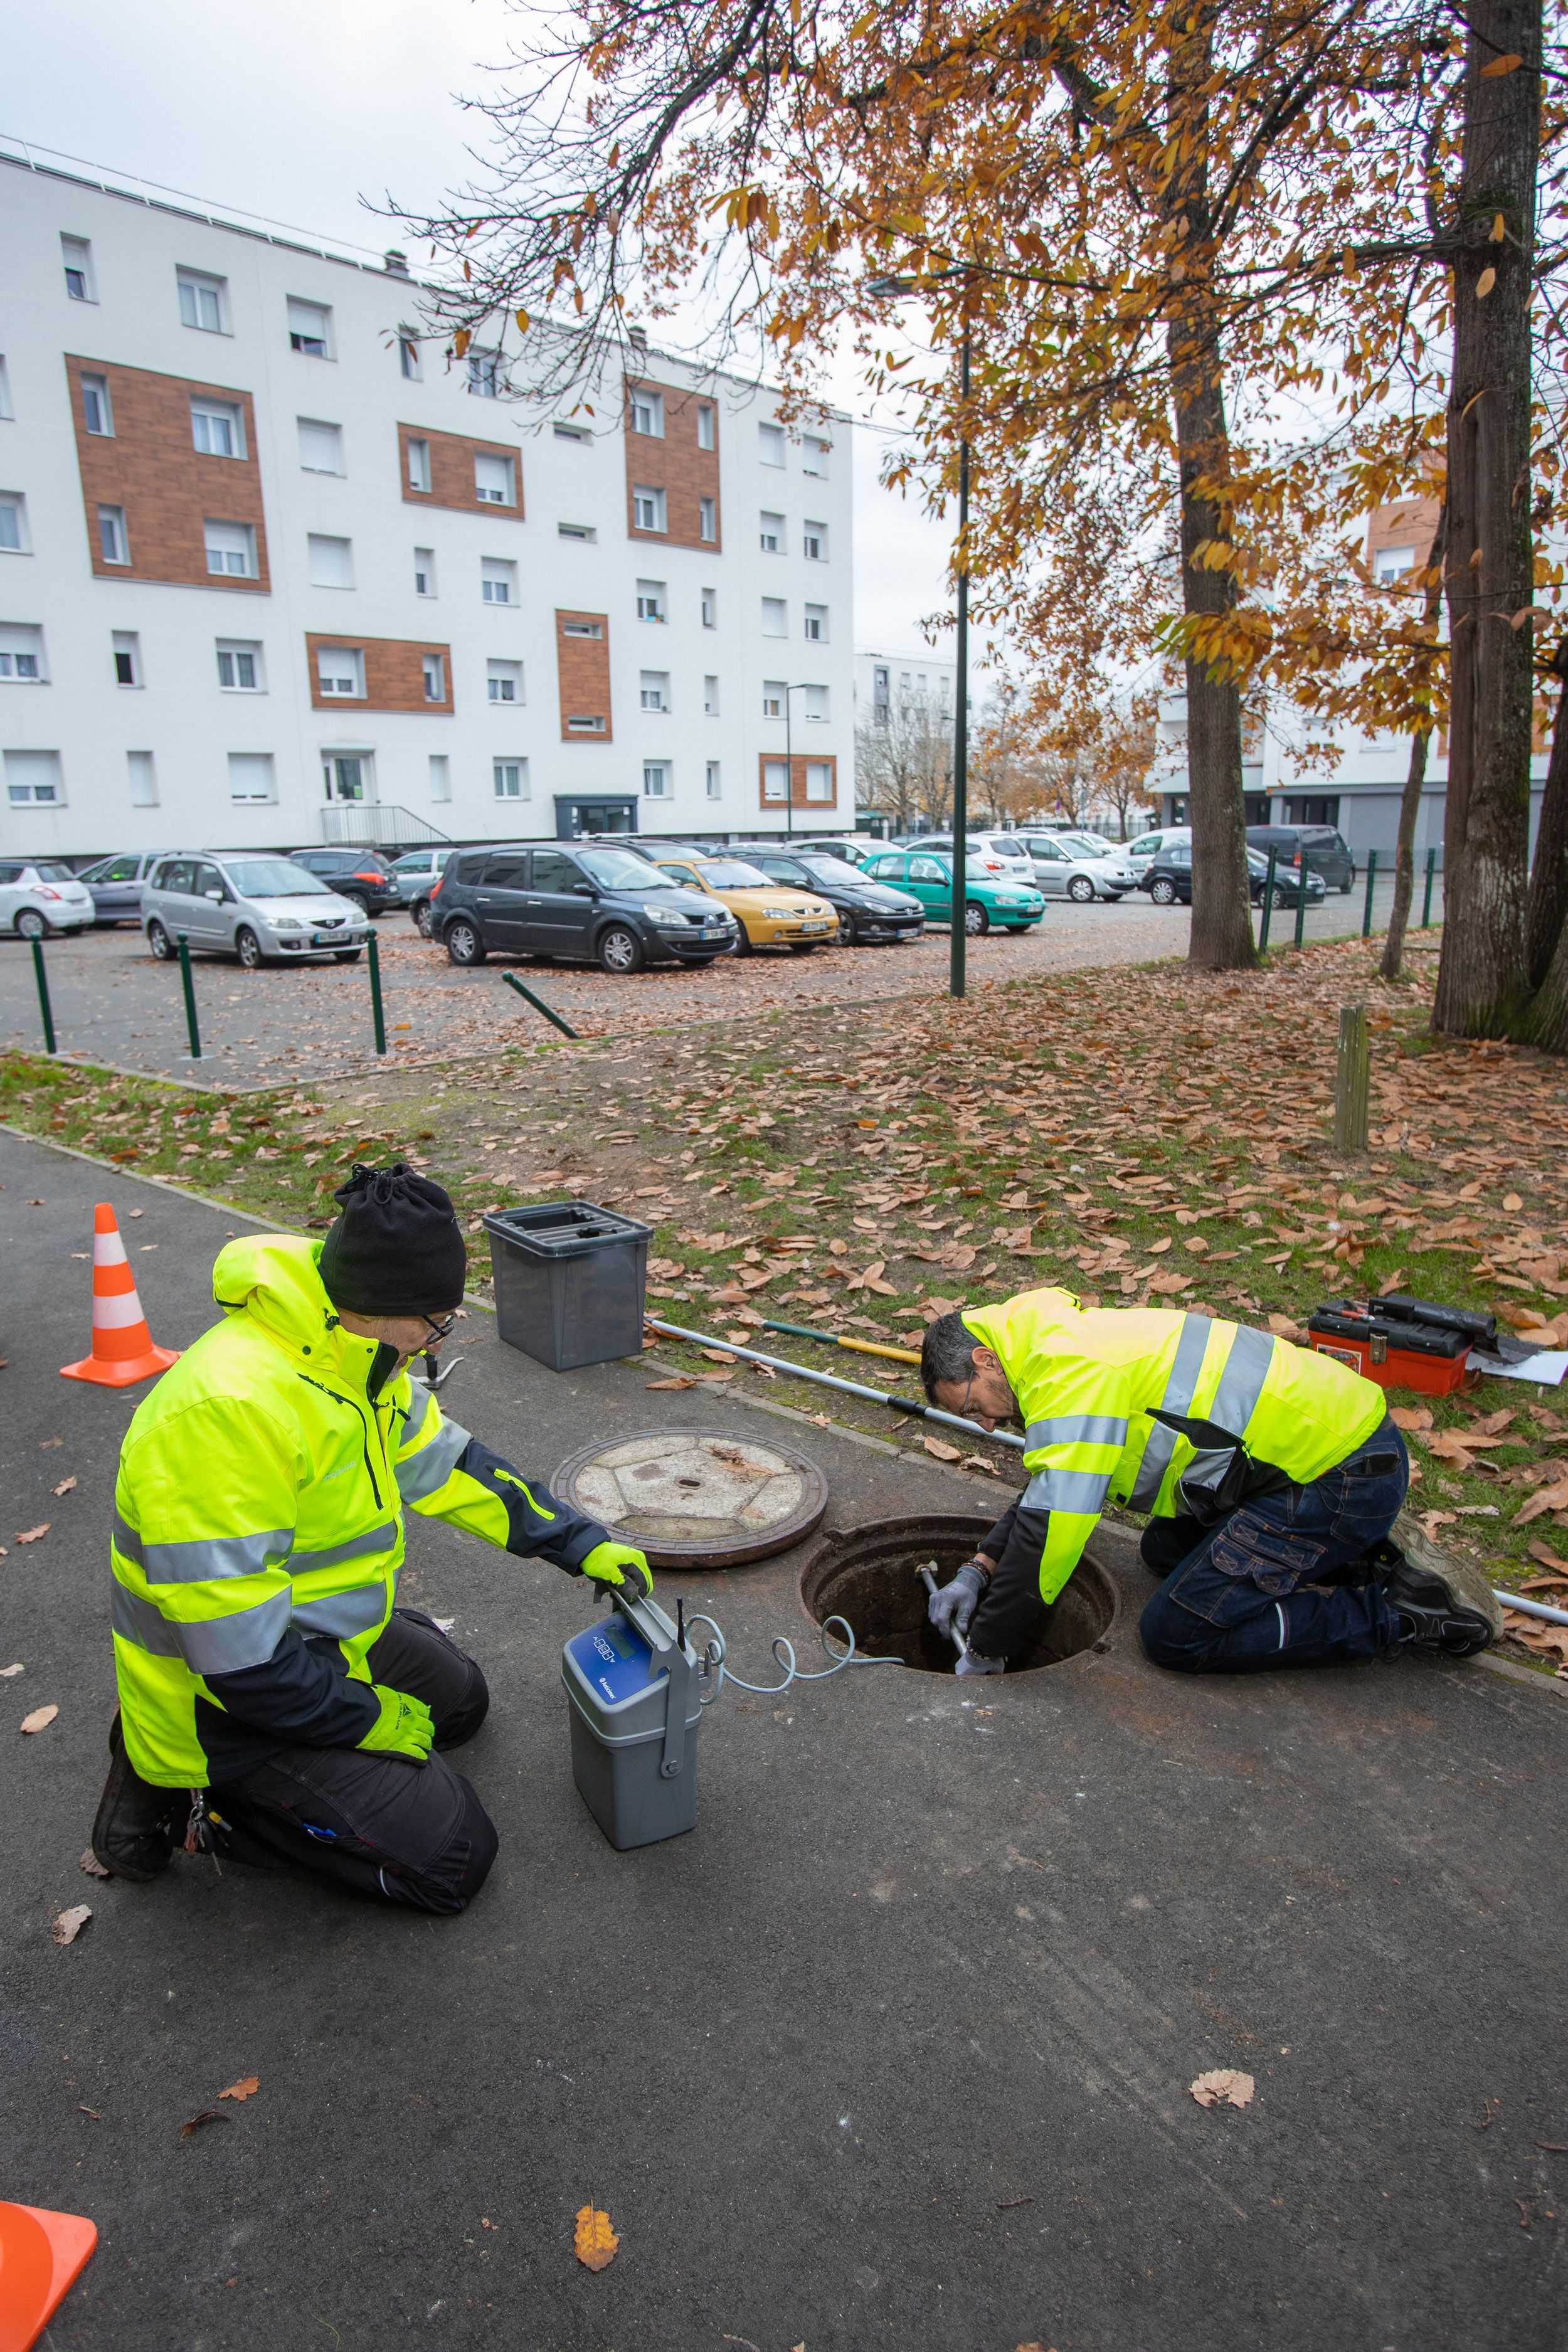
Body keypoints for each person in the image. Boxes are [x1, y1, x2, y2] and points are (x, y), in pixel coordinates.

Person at [91, 1162, 651, 1913]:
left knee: (459, 1709)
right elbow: (243, 1664)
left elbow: (452, 1465)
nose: (435, 1339)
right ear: (385, 1304)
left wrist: (578, 1541)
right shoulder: (225, 1416)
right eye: (436, 1320)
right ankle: (203, 1803)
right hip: (222, 1695)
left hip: (308, 1632)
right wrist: (368, 1716)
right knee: (452, 1858)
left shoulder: (355, 1362)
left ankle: (318, 1728)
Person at [919, 1290, 1497, 1676]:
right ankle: (1358, 1550)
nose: (987, 1423)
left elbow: (1051, 1530)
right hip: (1320, 1454)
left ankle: (1400, 1612)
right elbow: (1053, 1489)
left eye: (973, 1406)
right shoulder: (1045, 1342)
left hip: (1337, 1476)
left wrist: (990, 1648)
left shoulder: (1069, 1374)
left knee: (1177, 1635)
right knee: (1162, 1548)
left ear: (985, 1359)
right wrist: (978, 1571)